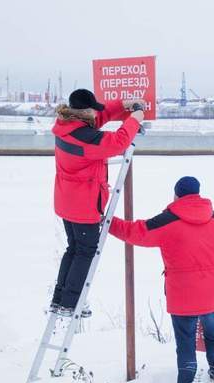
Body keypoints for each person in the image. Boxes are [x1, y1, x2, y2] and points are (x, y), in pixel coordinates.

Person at [109, 176, 214, 383]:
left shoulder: (168, 220)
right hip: (212, 291)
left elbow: (135, 232)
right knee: (213, 333)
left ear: (176, 195)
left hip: (183, 294)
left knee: (185, 340)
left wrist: (107, 223)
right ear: (198, 193)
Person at [50, 89, 145, 317]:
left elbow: (99, 119)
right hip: (83, 206)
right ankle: (70, 303)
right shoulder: (86, 137)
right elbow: (117, 142)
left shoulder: (66, 126)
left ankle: (60, 299)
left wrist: (124, 104)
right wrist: (135, 118)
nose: (96, 113)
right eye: (93, 109)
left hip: (67, 201)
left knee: (74, 249)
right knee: (85, 252)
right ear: (84, 112)